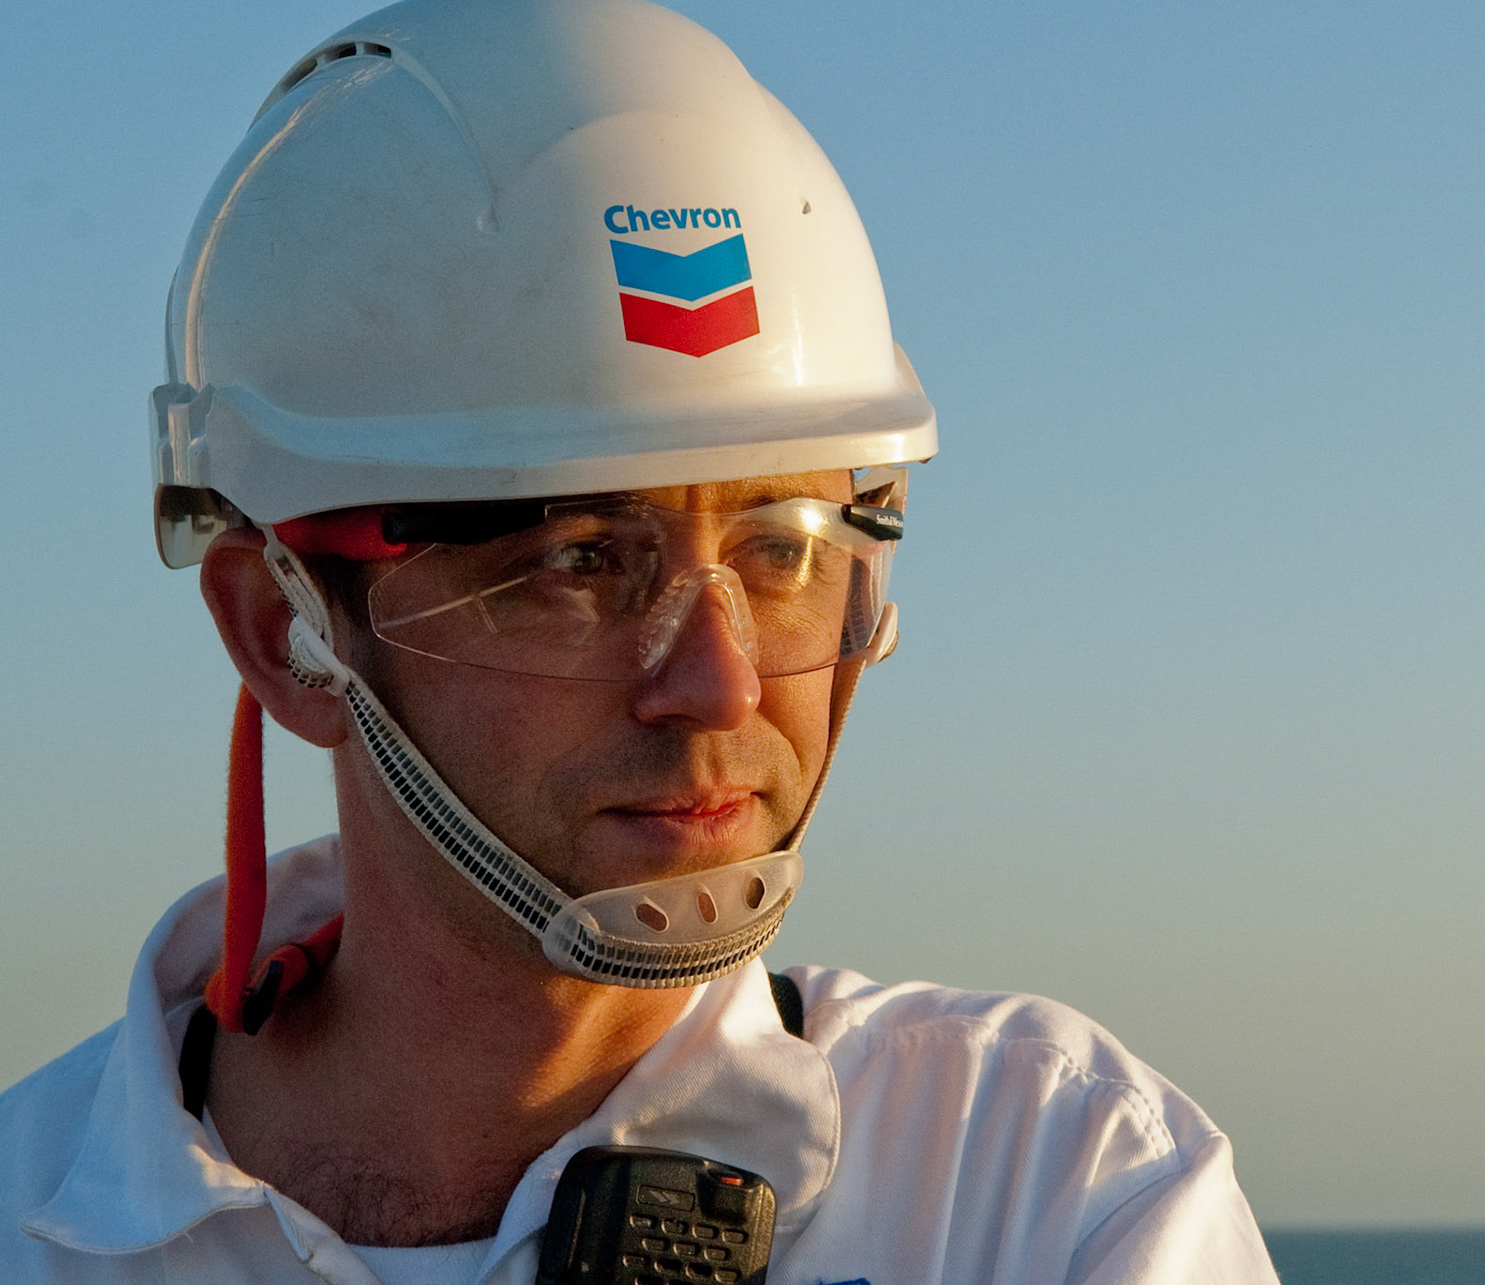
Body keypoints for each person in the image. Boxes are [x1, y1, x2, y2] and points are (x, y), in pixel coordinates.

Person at [0, 0, 1279, 1280]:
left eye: (784, 552)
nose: (719, 685)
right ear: (285, 632)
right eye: (579, 563)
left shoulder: (1045, 1190)